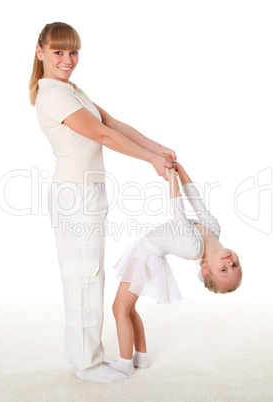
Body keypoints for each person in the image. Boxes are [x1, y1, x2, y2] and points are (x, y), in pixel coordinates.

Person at [29, 22, 176, 383]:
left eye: (73, 52)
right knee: (82, 276)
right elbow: (101, 135)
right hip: (74, 194)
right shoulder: (52, 94)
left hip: (89, 192)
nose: (67, 60)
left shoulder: (71, 89)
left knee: (90, 275)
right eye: (58, 52)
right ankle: (84, 364)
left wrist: (156, 147)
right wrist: (151, 161)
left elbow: (112, 122)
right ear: (40, 52)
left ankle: (92, 355)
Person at [107, 163, 242, 376]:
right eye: (234, 265)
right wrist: (180, 170)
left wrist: (171, 177)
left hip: (145, 255)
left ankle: (125, 363)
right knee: (129, 309)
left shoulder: (193, 247)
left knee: (119, 309)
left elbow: (178, 210)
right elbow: (196, 200)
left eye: (224, 270)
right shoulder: (214, 230)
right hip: (148, 254)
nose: (229, 262)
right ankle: (140, 358)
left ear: (206, 269)